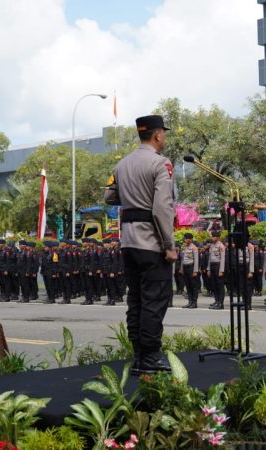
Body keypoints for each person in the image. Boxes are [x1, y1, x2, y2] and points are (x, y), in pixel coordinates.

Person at [104, 114, 176, 375]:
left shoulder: (122, 165)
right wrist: (169, 244)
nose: (164, 138)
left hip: (128, 242)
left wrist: (132, 195)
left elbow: (109, 196)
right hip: (151, 242)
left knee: (135, 299)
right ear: (157, 135)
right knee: (155, 300)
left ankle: (138, 355)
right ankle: (150, 356)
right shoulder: (161, 164)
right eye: (163, 134)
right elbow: (162, 208)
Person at [179, 233, 199, 309]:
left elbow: (196, 260)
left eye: (187, 238)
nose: (185, 240)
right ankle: (190, 302)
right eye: (185, 238)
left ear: (190, 239)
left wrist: (195, 271)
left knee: (193, 286)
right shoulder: (184, 247)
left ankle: (194, 302)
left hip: (191, 267)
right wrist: (181, 268)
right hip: (185, 268)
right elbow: (182, 259)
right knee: (187, 285)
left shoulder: (194, 248)